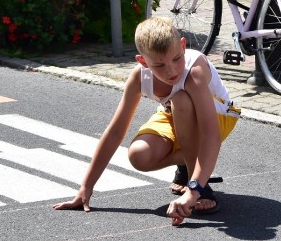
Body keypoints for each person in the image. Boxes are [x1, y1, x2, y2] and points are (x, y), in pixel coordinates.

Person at [53, 17, 240, 225]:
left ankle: (197, 182)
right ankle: (188, 165)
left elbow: (210, 135)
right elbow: (115, 131)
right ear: (143, 62)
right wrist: (86, 187)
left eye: (177, 59)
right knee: (139, 155)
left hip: (219, 116)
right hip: (176, 115)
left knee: (181, 99)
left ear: (183, 46)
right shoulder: (139, 78)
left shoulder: (194, 72)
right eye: (159, 65)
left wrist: (194, 190)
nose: (172, 71)